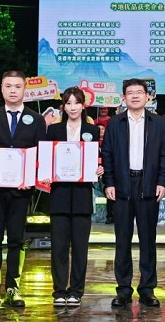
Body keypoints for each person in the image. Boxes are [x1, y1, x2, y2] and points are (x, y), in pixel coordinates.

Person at [0, 70, 46, 308]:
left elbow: (41, 154)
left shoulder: (36, 120)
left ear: (25, 89)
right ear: (2, 89)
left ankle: (13, 289)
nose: (13, 90)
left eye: (17, 86)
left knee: (17, 240)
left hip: (21, 191)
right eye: (8, 86)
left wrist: (32, 179)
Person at [102, 78, 165, 308]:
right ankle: (123, 289)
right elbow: (107, 154)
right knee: (122, 239)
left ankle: (147, 289)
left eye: (139, 92)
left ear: (147, 97)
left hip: (148, 184)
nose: (134, 96)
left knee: (148, 239)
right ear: (124, 97)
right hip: (122, 185)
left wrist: (162, 182)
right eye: (130, 92)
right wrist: (109, 182)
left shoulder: (158, 123)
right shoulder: (115, 123)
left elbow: (164, 154)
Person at [42, 87, 104, 307]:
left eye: (76, 103)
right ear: (63, 106)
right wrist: (46, 172)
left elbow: (97, 159)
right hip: (59, 195)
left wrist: (99, 169)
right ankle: (59, 290)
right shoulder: (54, 130)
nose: (72, 107)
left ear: (83, 105)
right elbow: (47, 159)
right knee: (59, 246)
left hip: (82, 196)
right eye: (68, 103)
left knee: (80, 247)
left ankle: (76, 290)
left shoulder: (92, 130)